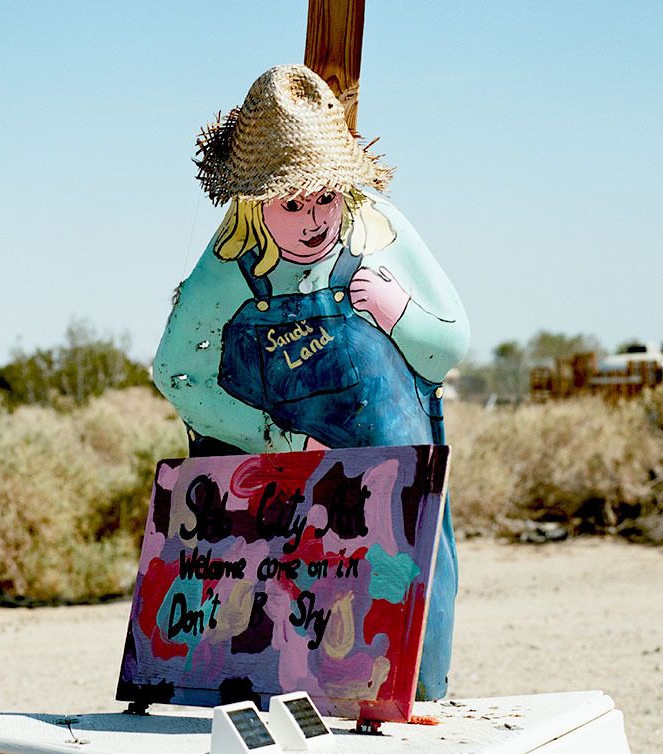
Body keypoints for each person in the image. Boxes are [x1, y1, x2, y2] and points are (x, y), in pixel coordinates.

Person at [153, 64, 469, 699]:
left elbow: (448, 347)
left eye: (324, 196)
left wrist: (397, 310)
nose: (312, 219)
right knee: (264, 644)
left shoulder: (381, 229)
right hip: (268, 500)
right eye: (290, 202)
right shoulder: (227, 262)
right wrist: (275, 441)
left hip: (387, 489)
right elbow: (176, 372)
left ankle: (408, 695)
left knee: (399, 633)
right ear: (254, 201)